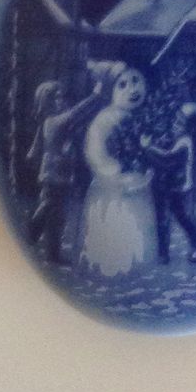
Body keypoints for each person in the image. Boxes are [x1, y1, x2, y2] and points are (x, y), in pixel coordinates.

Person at [77, 62, 157, 277]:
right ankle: (111, 264)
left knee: (137, 225)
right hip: (113, 184)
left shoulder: (139, 116)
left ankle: (137, 264)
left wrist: (145, 160)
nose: (132, 89)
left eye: (136, 81)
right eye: (122, 85)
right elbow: (95, 152)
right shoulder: (105, 120)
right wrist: (115, 173)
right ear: (110, 92)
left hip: (137, 180)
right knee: (114, 222)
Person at [26, 78, 101, 265]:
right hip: (55, 174)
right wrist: (95, 95)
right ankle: (35, 233)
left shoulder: (49, 122)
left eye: (62, 97)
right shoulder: (56, 122)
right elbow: (77, 113)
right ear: (49, 102)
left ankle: (47, 248)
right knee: (52, 210)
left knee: (54, 213)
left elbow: (36, 148)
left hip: (57, 174)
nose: (63, 100)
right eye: (58, 97)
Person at [140, 103, 196, 264]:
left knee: (185, 217)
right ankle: (163, 253)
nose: (175, 125)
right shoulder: (172, 136)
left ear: (191, 128)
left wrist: (148, 148)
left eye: (180, 123)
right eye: (176, 120)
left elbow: (168, 159)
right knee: (162, 219)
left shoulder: (185, 141)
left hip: (181, 187)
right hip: (164, 185)